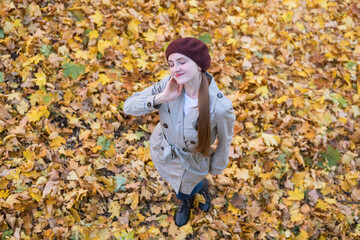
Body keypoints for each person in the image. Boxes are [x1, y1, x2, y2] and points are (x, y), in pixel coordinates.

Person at [123, 37, 235, 227]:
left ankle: (189, 197)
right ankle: (190, 192)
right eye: (171, 64)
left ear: (199, 64)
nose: (175, 68)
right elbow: (128, 107)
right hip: (164, 148)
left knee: (185, 188)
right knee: (174, 181)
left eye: (182, 62)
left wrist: (216, 167)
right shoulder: (169, 84)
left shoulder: (220, 107)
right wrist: (162, 97)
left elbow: (225, 142)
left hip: (193, 161)